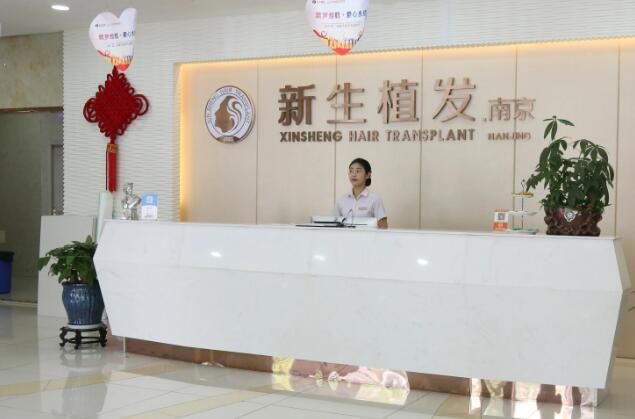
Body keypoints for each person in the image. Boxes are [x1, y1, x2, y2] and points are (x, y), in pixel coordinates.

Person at [332, 158, 388, 229]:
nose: (354, 174)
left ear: (367, 175)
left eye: (358, 171)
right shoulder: (341, 200)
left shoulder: (375, 199)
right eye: (351, 171)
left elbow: (384, 227)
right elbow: (333, 225)